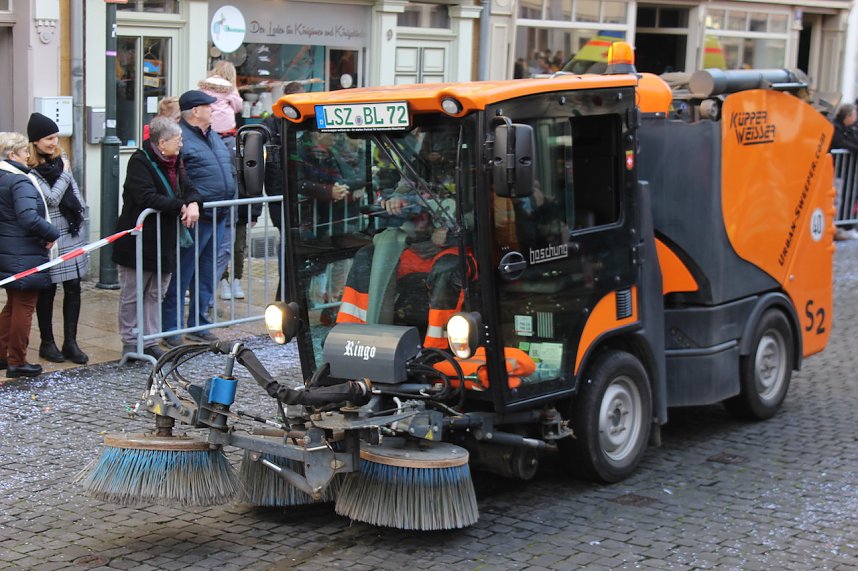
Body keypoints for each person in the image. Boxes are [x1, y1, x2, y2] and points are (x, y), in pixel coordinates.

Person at [112, 117, 201, 360]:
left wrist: (192, 202)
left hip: (165, 240)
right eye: (177, 140)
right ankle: (130, 341)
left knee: (155, 293)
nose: (181, 144)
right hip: (138, 241)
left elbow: (189, 186)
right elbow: (145, 197)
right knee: (133, 293)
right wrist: (181, 206)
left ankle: (150, 339)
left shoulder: (176, 161)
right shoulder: (140, 161)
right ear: (162, 143)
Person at [161, 89, 236, 346]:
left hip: (218, 214)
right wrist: (188, 203)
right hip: (194, 218)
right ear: (195, 111)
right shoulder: (179, 138)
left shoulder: (212, 135)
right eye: (209, 106)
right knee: (182, 274)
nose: (213, 110)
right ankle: (171, 329)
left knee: (206, 274)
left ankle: (198, 323)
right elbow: (177, 177)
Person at [26, 112, 91, 364]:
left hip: (71, 231)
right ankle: (47, 342)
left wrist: (80, 217)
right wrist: (65, 173)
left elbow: (75, 194)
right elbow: (51, 198)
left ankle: (71, 342)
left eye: (56, 137)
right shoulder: (32, 169)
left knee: (73, 288)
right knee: (48, 290)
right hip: (49, 234)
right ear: (35, 141)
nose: (54, 142)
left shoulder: (60, 161)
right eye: (48, 138)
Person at [0, 132, 60, 378]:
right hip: (23, 251)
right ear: (13, 154)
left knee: (12, 305)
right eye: (25, 152)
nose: (28, 156)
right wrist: (52, 232)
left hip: (8, 249)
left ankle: (3, 355)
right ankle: (17, 361)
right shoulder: (19, 181)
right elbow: (28, 217)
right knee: (24, 306)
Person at [830, 103, 858, 240]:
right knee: (836, 198)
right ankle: (834, 227)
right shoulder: (836, 127)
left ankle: (841, 226)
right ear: (847, 115)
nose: (856, 117)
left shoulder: (849, 129)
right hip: (836, 168)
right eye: (854, 114)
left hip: (845, 169)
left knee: (843, 197)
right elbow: (839, 143)